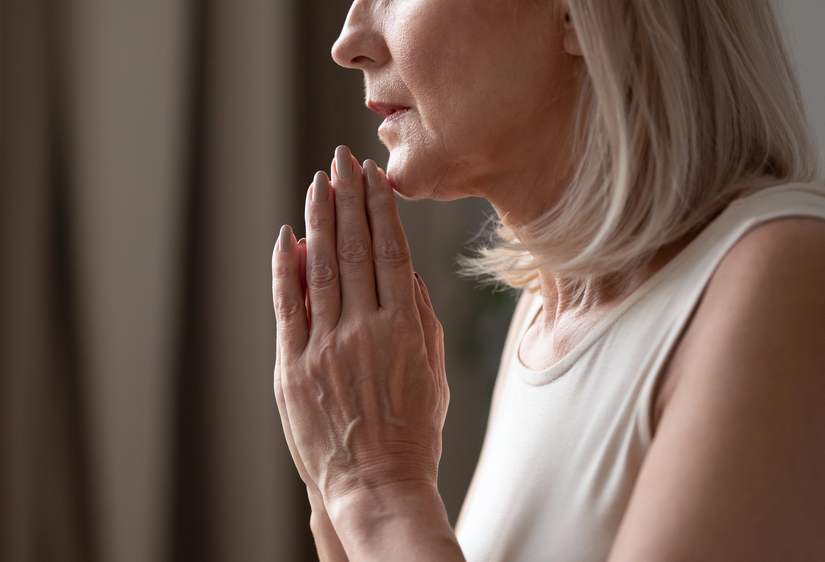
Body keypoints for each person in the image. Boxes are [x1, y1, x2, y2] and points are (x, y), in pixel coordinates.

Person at [271, 0, 825, 560]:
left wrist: (374, 488)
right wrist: (336, 481)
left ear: (577, 15)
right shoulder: (539, 316)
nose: (348, 42)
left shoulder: (784, 281)